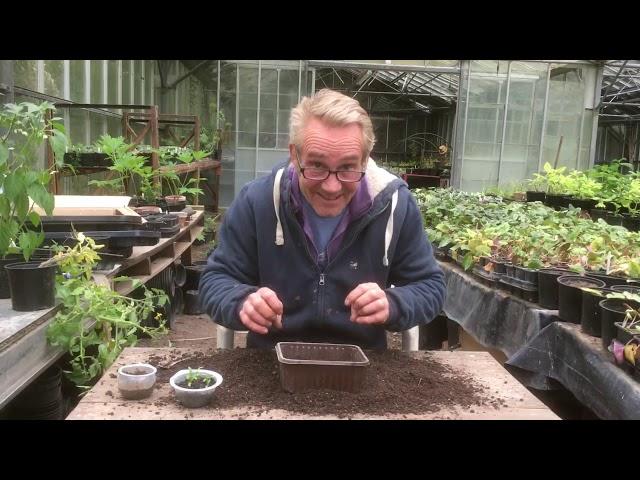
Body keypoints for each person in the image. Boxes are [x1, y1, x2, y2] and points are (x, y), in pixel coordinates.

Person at [199, 88, 445, 349]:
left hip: (364, 364)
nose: (332, 187)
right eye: (317, 166)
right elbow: (216, 278)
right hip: (271, 360)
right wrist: (242, 301)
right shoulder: (258, 202)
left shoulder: (394, 205)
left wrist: (394, 303)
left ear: (365, 159)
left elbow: (430, 286)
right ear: (295, 155)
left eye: (348, 167)